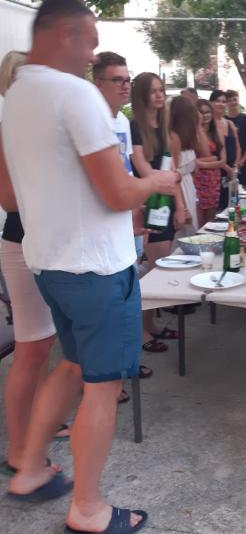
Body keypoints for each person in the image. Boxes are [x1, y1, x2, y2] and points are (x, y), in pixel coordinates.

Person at [0, 0, 178, 534]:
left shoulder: (15, 95)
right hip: (98, 268)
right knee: (101, 385)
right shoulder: (75, 94)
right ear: (64, 35)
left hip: (50, 262)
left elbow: (12, 195)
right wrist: (156, 182)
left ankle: (29, 468)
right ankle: (88, 508)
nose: (93, 55)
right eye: (91, 42)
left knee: (73, 365)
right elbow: (119, 192)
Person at [0, 51, 69, 476]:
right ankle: (18, 450)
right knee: (30, 348)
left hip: (45, 244)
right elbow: (9, 200)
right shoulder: (7, 129)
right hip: (22, 244)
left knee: (43, 343)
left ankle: (38, 425)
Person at [92, 52, 154, 395]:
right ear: (97, 83)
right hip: (103, 228)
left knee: (130, 292)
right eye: (117, 80)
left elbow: (127, 171)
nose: (125, 86)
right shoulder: (92, 121)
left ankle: (124, 366)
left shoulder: (123, 123)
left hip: (127, 219)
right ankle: (106, 383)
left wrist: (137, 207)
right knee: (109, 304)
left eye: (127, 80)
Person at [130, 72, 187, 352]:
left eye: (161, 90)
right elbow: (144, 171)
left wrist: (181, 205)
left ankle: (150, 325)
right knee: (152, 271)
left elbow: (171, 171)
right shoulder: (134, 127)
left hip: (165, 203)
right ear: (142, 96)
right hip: (146, 206)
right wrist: (169, 180)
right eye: (153, 91)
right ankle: (141, 331)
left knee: (159, 267)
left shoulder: (163, 128)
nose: (159, 95)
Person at [169, 95, 210, 232]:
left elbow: (206, 152)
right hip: (181, 189)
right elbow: (174, 174)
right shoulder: (173, 139)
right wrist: (182, 207)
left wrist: (198, 126)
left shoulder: (187, 137)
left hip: (189, 186)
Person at [194, 100, 227, 226]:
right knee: (199, 220)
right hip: (198, 180)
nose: (205, 115)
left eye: (208, 112)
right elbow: (193, 160)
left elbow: (222, 161)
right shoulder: (195, 132)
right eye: (201, 113)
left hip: (213, 179)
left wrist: (202, 164)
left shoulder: (217, 132)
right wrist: (213, 159)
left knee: (211, 220)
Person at [209, 90, 239, 207]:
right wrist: (227, 169)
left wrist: (235, 167)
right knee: (219, 206)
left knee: (233, 204)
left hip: (232, 171)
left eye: (223, 101)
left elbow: (237, 146)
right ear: (211, 103)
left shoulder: (229, 123)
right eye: (218, 101)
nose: (221, 104)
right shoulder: (208, 125)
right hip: (217, 170)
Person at [225, 89, 246, 187]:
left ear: (238, 100)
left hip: (245, 163)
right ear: (226, 103)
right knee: (228, 192)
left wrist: (242, 161)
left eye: (235, 99)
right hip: (227, 165)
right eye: (229, 100)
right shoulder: (223, 120)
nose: (233, 102)